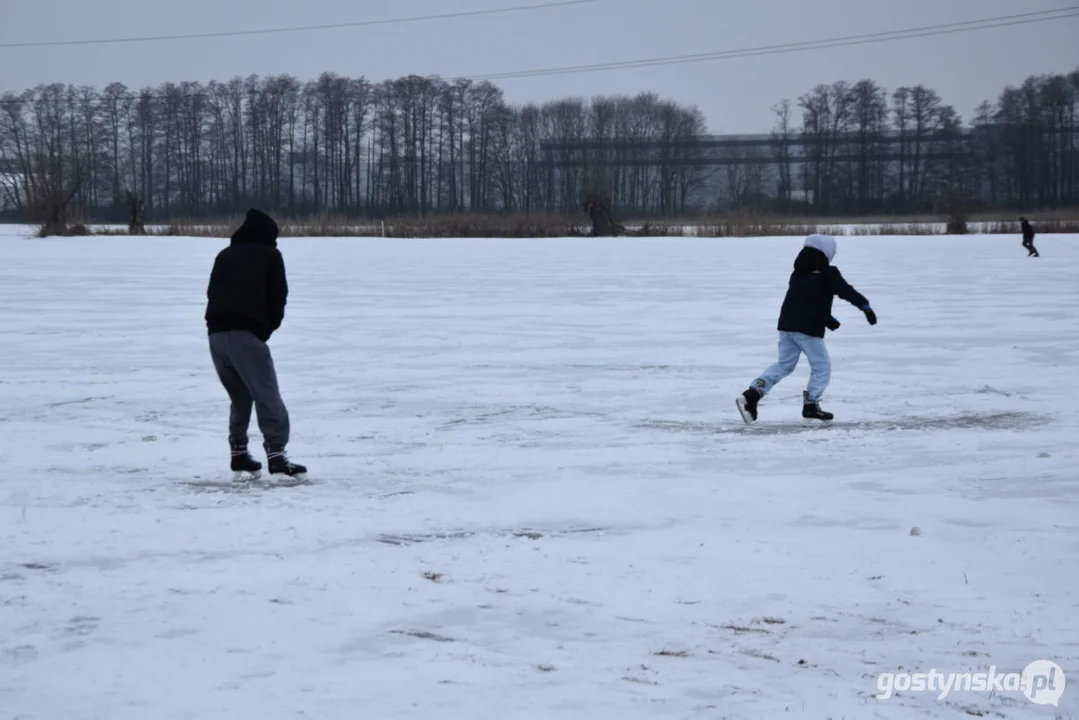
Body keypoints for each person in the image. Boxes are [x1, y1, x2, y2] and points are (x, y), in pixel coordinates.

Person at [205, 208, 307, 479]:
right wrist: (264, 330)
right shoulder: (270, 255)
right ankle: (277, 455)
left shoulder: (224, 255)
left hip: (216, 336)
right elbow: (278, 297)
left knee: (240, 397)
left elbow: (211, 293)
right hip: (246, 335)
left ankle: (238, 453)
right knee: (266, 394)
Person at [736, 234, 877, 424]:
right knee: (821, 366)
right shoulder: (829, 273)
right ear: (827, 252)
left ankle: (752, 394)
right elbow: (846, 291)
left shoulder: (798, 273)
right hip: (808, 329)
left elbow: (804, 299)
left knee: (784, 365)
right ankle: (811, 404)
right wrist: (865, 306)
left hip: (787, 326)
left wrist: (827, 319)